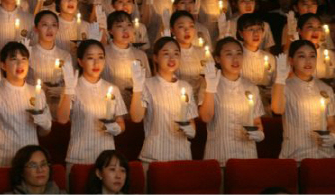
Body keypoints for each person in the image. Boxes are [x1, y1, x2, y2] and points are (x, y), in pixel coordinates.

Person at [0, 42, 52, 186]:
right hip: (0, 162)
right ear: (3, 65)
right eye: (14, 59)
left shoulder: (36, 91)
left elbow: (44, 132)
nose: (20, 63)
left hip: (30, 167)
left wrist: (44, 122)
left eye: (24, 59)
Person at [57, 40, 126, 175]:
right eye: (90, 58)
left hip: (107, 158)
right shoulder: (72, 87)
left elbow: (121, 123)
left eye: (100, 57)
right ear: (81, 62)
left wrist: (116, 128)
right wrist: (69, 90)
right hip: (79, 155)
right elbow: (62, 119)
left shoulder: (112, 89)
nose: (96, 63)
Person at [130, 37, 198, 165]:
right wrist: (137, 87)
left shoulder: (186, 87)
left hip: (181, 155)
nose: (172, 58)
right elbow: (136, 117)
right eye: (166, 54)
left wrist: (190, 130)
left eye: (176, 54)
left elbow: (192, 124)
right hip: (154, 155)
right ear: (155, 57)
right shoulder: (147, 84)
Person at [198, 37, 265, 166]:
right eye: (229, 54)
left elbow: (257, 122)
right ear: (217, 58)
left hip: (247, 156)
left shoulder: (251, 87)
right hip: (219, 155)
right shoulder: (209, 84)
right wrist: (211, 88)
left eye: (239, 54)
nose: (235, 59)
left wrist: (259, 133)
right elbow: (206, 117)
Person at [272, 40, 335, 161]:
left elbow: (331, 123)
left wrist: (332, 136)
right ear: (291, 61)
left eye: (312, 56)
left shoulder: (326, 88)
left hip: (325, 156)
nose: (308, 61)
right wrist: (280, 79)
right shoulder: (284, 86)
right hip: (296, 155)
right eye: (301, 56)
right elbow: (277, 109)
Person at [28, 11, 72, 118]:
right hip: (35, 110)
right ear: (36, 28)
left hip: (59, 109)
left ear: (58, 28)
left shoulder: (65, 55)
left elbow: (71, 85)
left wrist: (63, 91)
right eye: (44, 25)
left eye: (53, 25)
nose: (49, 29)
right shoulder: (29, 53)